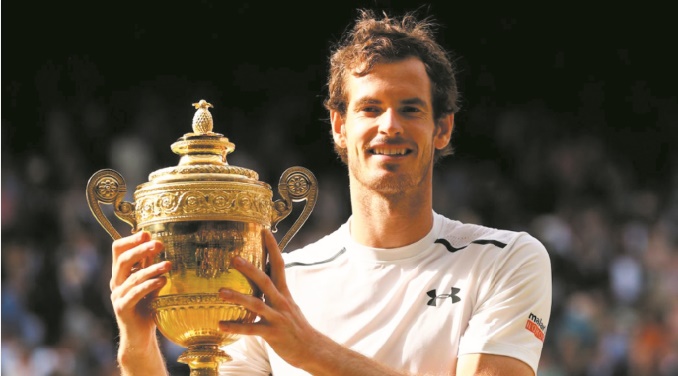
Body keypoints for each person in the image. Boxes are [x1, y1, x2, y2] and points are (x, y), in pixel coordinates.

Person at [110, 9, 552, 376]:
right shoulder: (278, 284)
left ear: (443, 128)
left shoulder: (505, 259)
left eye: (410, 108)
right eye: (370, 108)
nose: (390, 125)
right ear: (340, 127)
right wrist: (136, 346)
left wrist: (311, 350)